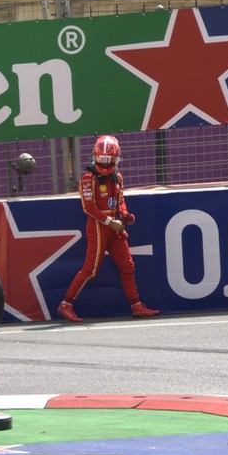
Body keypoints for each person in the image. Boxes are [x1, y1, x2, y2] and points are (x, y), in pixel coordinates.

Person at [57, 135, 159, 322]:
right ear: (95, 157)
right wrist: (110, 222)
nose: (105, 164)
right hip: (98, 227)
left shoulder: (118, 177)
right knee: (91, 269)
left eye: (108, 160)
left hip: (115, 228)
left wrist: (125, 215)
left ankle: (136, 306)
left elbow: (120, 201)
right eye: (101, 159)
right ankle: (66, 304)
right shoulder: (88, 178)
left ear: (115, 158)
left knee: (127, 266)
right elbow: (88, 207)